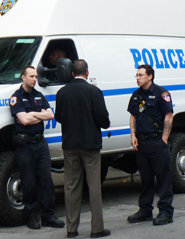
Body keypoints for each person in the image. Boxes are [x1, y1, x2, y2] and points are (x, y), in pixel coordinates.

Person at [55, 59, 111, 239]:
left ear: (72, 73)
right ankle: (97, 229)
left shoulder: (62, 92)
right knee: (94, 186)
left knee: (71, 186)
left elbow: (59, 117)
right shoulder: (94, 91)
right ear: (87, 73)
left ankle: (71, 229)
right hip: (91, 144)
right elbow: (103, 119)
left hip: (70, 144)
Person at [9, 66, 65, 230]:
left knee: (46, 180)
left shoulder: (39, 96)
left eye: (36, 76)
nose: (35, 79)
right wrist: (39, 115)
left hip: (40, 143)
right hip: (25, 145)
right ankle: (31, 216)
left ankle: (48, 216)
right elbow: (24, 121)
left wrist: (32, 115)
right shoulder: (16, 98)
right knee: (28, 182)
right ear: (23, 77)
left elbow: (50, 115)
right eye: (31, 76)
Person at [127, 64, 174, 226]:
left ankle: (166, 211)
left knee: (163, 178)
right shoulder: (136, 95)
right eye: (137, 75)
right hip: (142, 142)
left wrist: (164, 138)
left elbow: (169, 115)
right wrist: (133, 135)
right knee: (146, 178)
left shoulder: (161, 93)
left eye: (140, 75)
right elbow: (133, 116)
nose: (138, 78)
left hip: (156, 141)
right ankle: (145, 210)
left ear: (150, 76)